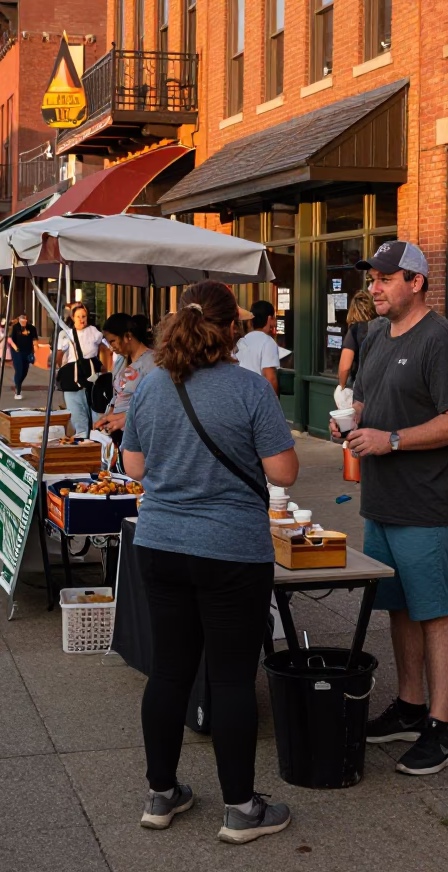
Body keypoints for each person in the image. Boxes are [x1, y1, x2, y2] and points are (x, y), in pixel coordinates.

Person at [122, 281, 298, 844]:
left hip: (161, 543)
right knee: (229, 678)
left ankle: (160, 794)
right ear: (231, 331)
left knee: (169, 671)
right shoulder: (250, 390)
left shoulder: (151, 385)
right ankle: (241, 808)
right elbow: (285, 473)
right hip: (231, 552)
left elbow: (133, 467)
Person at [329, 241, 448, 777]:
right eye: (372, 279)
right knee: (397, 607)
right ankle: (411, 706)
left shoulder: (443, 340)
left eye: (386, 278)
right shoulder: (373, 337)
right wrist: (350, 423)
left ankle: (442, 728)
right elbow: (366, 402)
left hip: (427, 504)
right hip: (382, 502)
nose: (374, 287)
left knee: (432, 610)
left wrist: (390, 439)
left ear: (415, 281)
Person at [97, 313, 156, 439]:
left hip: (137, 431)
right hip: (116, 429)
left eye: (113, 341)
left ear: (128, 336)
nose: (112, 348)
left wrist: (123, 418)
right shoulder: (120, 361)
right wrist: (109, 414)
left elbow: (152, 405)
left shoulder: (152, 362)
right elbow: (117, 393)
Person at [56, 302, 110, 436]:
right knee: (77, 417)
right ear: (73, 318)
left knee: (96, 416)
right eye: (78, 316)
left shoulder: (93, 331)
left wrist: (106, 368)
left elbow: (107, 347)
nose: (81, 319)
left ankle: (96, 443)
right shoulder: (67, 334)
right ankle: (83, 444)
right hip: (73, 382)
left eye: (84, 316)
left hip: (92, 381)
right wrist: (63, 369)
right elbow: (59, 356)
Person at [234, 300, 280, 394]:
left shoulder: (242, 341)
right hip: (257, 396)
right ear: (269, 319)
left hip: (239, 394)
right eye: (274, 317)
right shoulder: (268, 342)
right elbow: (270, 377)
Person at [337, 289, 378, 389]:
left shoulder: (355, 330)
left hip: (360, 385)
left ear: (353, 309)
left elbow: (345, 367)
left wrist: (342, 387)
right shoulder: (383, 326)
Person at [7, 312, 38, 399]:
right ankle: (18, 391)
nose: (23, 321)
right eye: (22, 319)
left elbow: (35, 340)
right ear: (19, 320)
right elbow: (11, 340)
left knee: (25, 371)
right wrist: (15, 348)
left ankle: (18, 382)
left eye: (25, 319)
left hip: (28, 352)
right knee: (19, 369)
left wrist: (35, 350)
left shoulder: (32, 328)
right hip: (17, 351)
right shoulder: (15, 327)